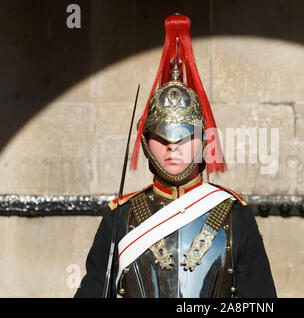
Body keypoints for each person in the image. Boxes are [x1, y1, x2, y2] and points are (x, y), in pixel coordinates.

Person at [75, 13, 276, 298]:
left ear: (204, 141)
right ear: (145, 143)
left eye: (184, 138)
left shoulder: (234, 213)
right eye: (161, 137)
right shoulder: (121, 215)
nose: (172, 147)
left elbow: (259, 300)